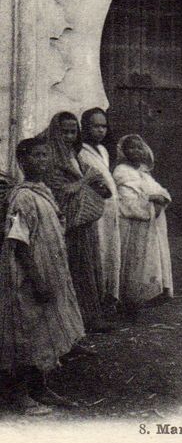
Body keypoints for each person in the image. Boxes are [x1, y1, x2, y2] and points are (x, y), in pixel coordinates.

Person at [0, 137, 84, 414]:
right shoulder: (23, 196)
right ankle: (21, 395)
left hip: (49, 270)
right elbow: (19, 240)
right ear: (23, 162)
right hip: (28, 274)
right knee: (27, 332)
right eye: (36, 156)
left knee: (45, 330)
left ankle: (41, 387)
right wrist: (36, 278)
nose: (42, 161)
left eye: (46, 156)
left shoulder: (43, 191)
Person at [41, 111, 113, 333]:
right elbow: (61, 192)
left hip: (83, 222)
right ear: (55, 133)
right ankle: (75, 321)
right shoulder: (52, 159)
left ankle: (90, 316)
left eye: (73, 132)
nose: (70, 137)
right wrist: (86, 180)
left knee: (87, 269)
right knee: (75, 270)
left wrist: (97, 184)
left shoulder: (75, 155)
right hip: (68, 224)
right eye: (65, 132)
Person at [113, 135, 173, 317]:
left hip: (150, 223)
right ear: (124, 151)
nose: (136, 151)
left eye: (140, 148)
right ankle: (127, 301)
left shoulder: (144, 171)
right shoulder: (121, 172)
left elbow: (159, 191)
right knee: (132, 261)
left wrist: (158, 198)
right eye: (131, 148)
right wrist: (150, 200)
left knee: (147, 260)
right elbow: (127, 199)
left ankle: (142, 298)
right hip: (132, 225)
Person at [79, 108, 121, 311]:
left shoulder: (103, 151)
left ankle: (109, 297)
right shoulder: (81, 152)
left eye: (103, 126)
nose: (100, 130)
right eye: (95, 126)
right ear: (86, 127)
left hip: (110, 209)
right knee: (99, 251)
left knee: (110, 251)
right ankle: (96, 301)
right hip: (95, 210)